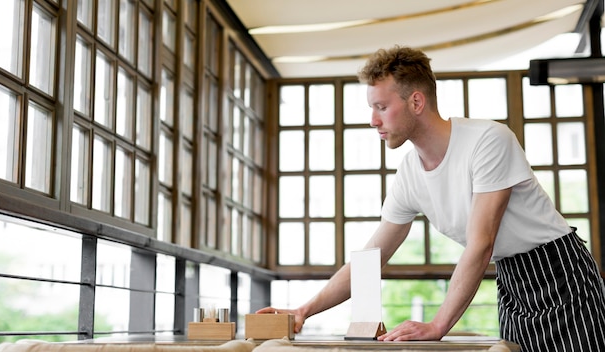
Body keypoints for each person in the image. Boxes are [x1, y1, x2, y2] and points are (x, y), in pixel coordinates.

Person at [257, 45, 605, 351]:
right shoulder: (410, 173)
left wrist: (438, 324)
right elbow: (370, 260)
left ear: (416, 101)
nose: (372, 120)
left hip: (562, 276)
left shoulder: (489, 140)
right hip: (512, 283)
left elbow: (481, 243)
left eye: (381, 106)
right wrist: (303, 310)